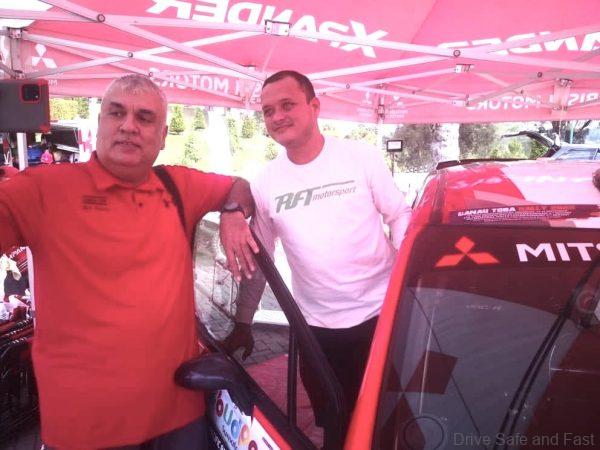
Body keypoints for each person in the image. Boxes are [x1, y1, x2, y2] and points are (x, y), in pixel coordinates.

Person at [0, 74, 258, 450]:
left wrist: (233, 211)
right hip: (87, 428)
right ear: (100, 122)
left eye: (145, 117)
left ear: (163, 135)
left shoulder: (178, 185)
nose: (129, 126)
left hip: (179, 414)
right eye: (117, 113)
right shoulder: (42, 189)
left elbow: (240, 186)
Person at [223, 70, 412, 446]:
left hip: (381, 317)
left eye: (287, 105)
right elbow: (260, 260)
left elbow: (399, 214)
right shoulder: (266, 181)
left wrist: (405, 285)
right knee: (335, 425)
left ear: (314, 106)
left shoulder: (359, 156)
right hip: (315, 330)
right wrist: (243, 322)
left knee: (390, 420)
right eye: (268, 111)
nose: (277, 116)